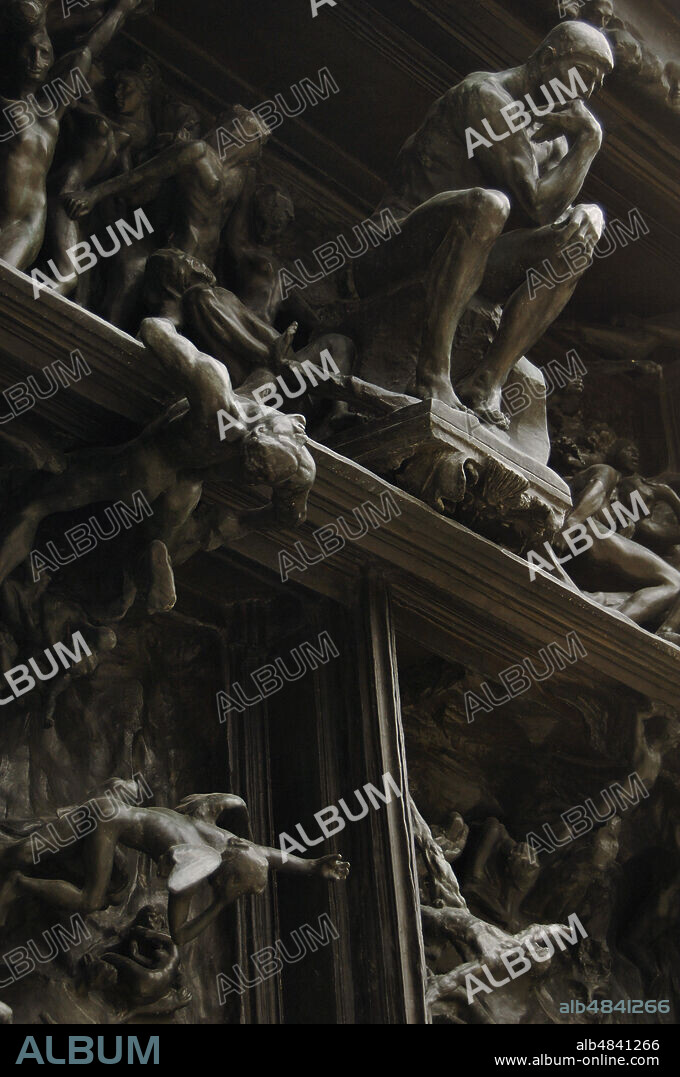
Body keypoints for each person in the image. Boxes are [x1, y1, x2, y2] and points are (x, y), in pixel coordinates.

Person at [353, 21, 613, 426]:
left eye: (596, 84)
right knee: (489, 205)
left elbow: (554, 219)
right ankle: (433, 375)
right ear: (547, 59)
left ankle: (487, 381)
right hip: (392, 247)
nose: (587, 93)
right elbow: (536, 204)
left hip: (471, 254)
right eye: (582, 74)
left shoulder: (557, 138)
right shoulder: (485, 97)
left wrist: (589, 210)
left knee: (579, 236)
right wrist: (591, 142)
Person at [0, 318, 316, 613]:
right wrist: (246, 521)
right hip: (186, 490)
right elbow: (290, 516)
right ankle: (149, 558)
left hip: (147, 467)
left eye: (255, 475)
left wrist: (172, 319)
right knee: (157, 539)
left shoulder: (216, 394)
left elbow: (153, 329)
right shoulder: (300, 469)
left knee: (37, 504)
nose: (250, 474)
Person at [0, 783, 349, 944]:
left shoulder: (218, 834)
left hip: (108, 811)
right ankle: (19, 884)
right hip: (107, 823)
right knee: (92, 900)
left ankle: (18, 863)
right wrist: (220, 903)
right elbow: (179, 935)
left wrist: (310, 866)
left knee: (26, 854)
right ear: (222, 876)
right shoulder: (196, 867)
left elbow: (268, 855)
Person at [0, 0, 148, 270]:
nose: (36, 60)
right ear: (13, 53)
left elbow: (87, 51)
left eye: (44, 53)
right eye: (29, 51)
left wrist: (121, 10)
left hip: (28, 223)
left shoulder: (50, 110)